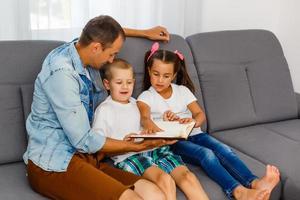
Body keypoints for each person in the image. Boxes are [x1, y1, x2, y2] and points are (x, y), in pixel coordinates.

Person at [23, 15, 173, 200]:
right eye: (112, 54)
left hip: (87, 157)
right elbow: (83, 140)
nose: (112, 60)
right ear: (96, 48)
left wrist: (145, 33)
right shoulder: (62, 73)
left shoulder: (83, 47)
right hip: (54, 164)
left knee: (153, 193)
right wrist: (134, 146)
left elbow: (104, 31)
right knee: (130, 198)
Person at [136, 42, 281, 200]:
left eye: (166, 76)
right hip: (174, 142)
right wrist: (160, 130)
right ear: (149, 70)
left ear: (174, 75)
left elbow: (199, 114)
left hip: (194, 133)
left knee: (224, 149)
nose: (160, 80)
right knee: (207, 154)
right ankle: (238, 191)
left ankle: (254, 183)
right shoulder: (146, 97)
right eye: (156, 74)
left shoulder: (182, 91)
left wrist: (190, 122)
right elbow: (145, 118)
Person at [92, 59, 209, 200]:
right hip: (130, 156)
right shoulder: (104, 110)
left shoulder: (138, 103)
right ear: (107, 84)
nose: (125, 87)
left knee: (188, 176)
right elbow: (97, 144)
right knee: (165, 179)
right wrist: (123, 143)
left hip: (155, 149)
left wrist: (167, 122)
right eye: (119, 82)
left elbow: (150, 125)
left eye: (129, 82)